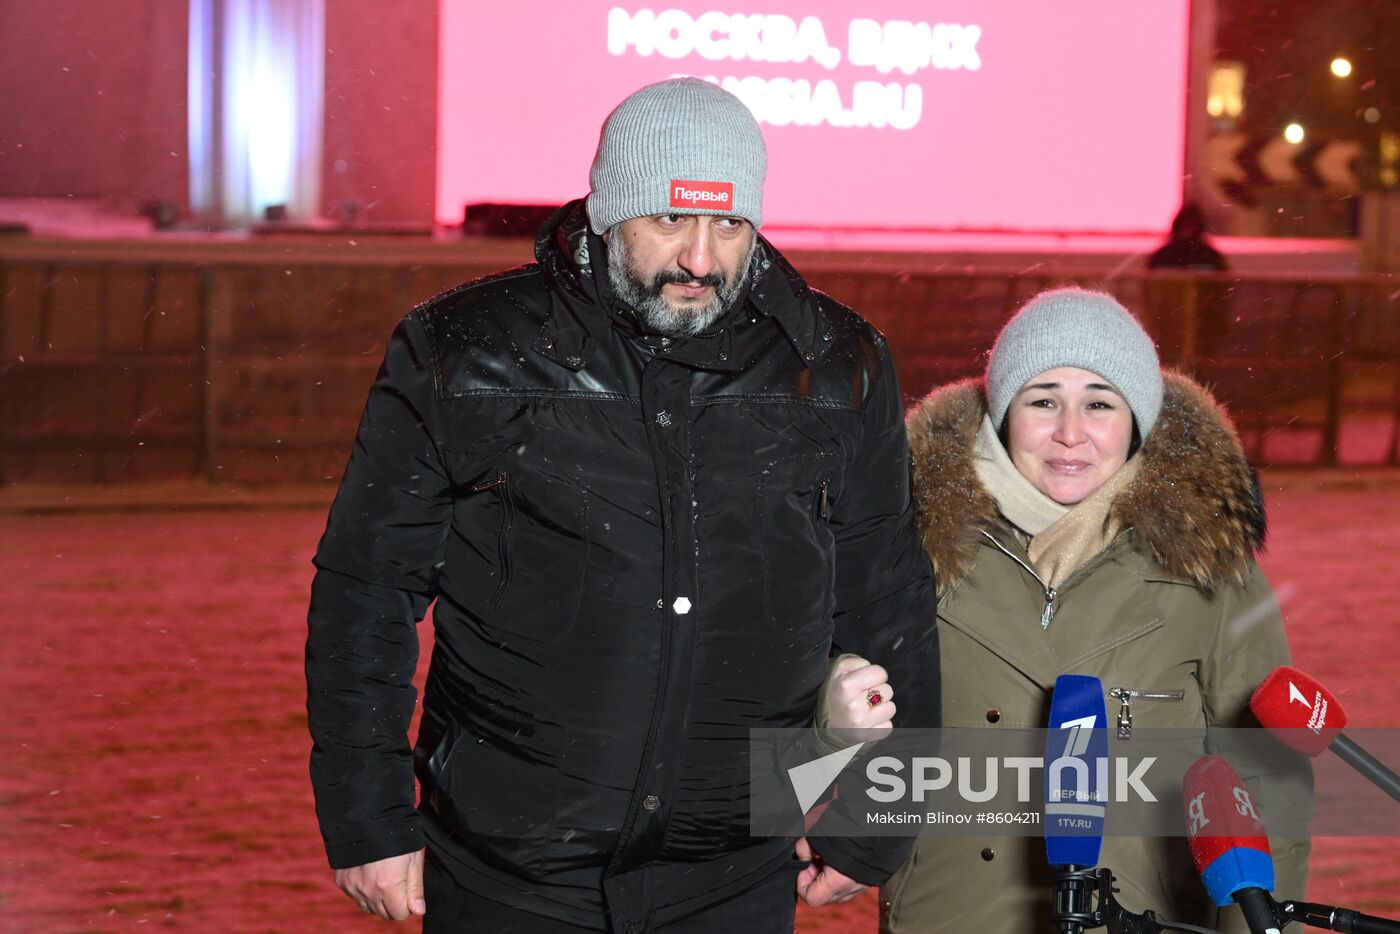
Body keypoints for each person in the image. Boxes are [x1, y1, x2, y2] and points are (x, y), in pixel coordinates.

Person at [304, 77, 939, 932]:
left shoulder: (839, 364)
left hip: (736, 867)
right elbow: (365, 589)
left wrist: (879, 813)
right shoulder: (463, 352)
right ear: (607, 214)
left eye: (729, 224)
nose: (701, 260)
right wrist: (366, 816)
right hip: (512, 869)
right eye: (670, 219)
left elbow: (887, 591)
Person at [825, 288, 1308, 932]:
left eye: (1100, 404)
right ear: (1004, 414)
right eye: (1044, 400)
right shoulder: (907, 550)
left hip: (1145, 919)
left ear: (1137, 419)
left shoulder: (1212, 572)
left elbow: (1265, 785)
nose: (1071, 433)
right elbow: (815, 710)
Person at [1148, 202, 1227, 271]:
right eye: (1185, 227)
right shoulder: (1162, 256)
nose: (1188, 232)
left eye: (1192, 227)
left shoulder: (1211, 256)